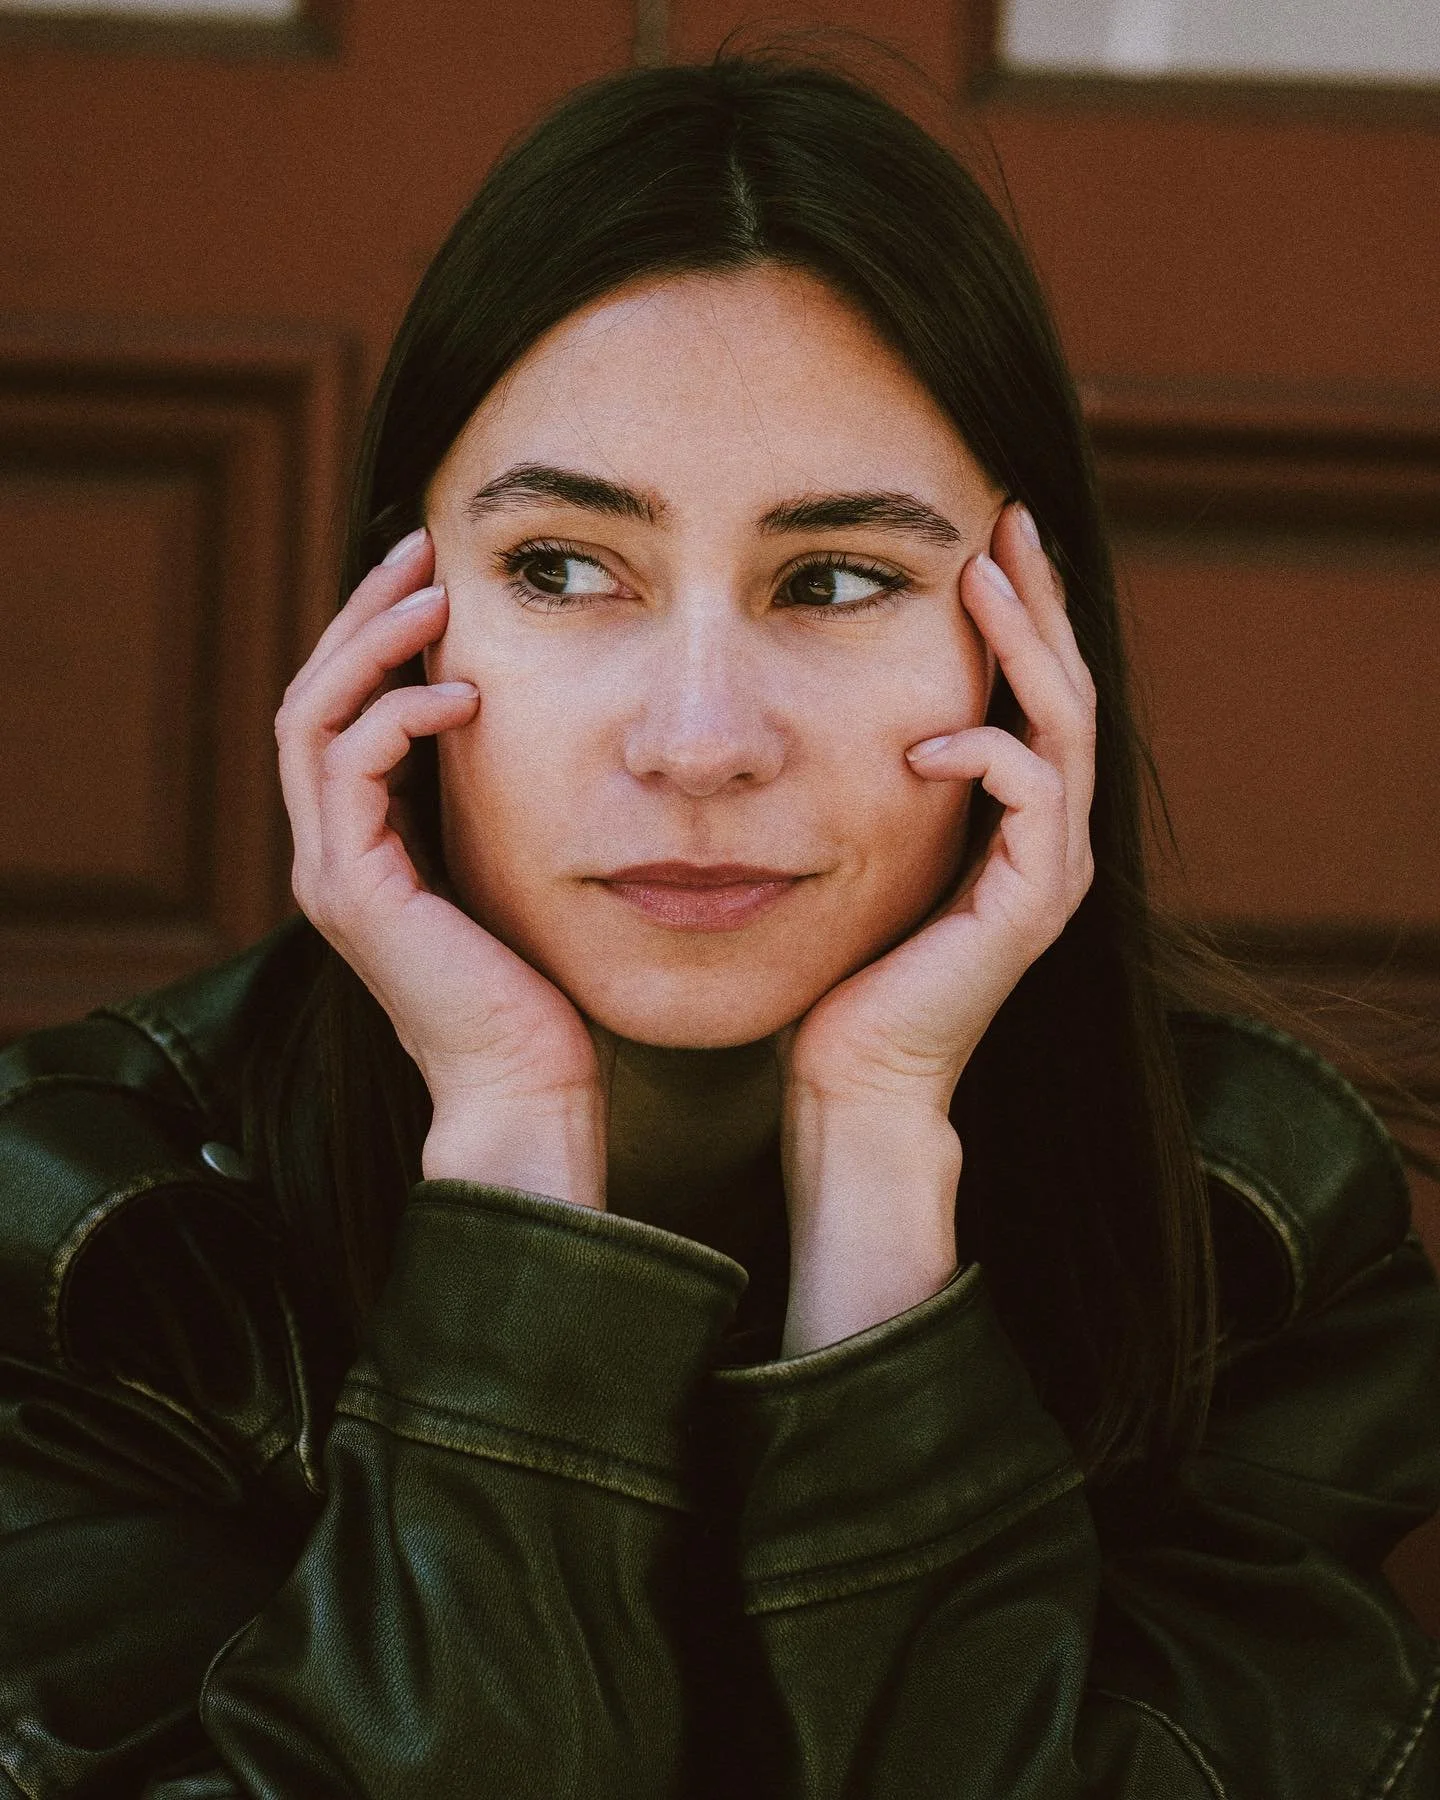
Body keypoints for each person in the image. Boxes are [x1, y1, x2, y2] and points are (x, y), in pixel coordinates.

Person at [1, 49, 1437, 1800]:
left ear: (1027, 648)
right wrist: (520, 1179)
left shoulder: (1252, 1227)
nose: (698, 743)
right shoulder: (85, 1241)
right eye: (560, 567)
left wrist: (880, 1200)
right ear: (395, 625)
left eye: (836, 581)